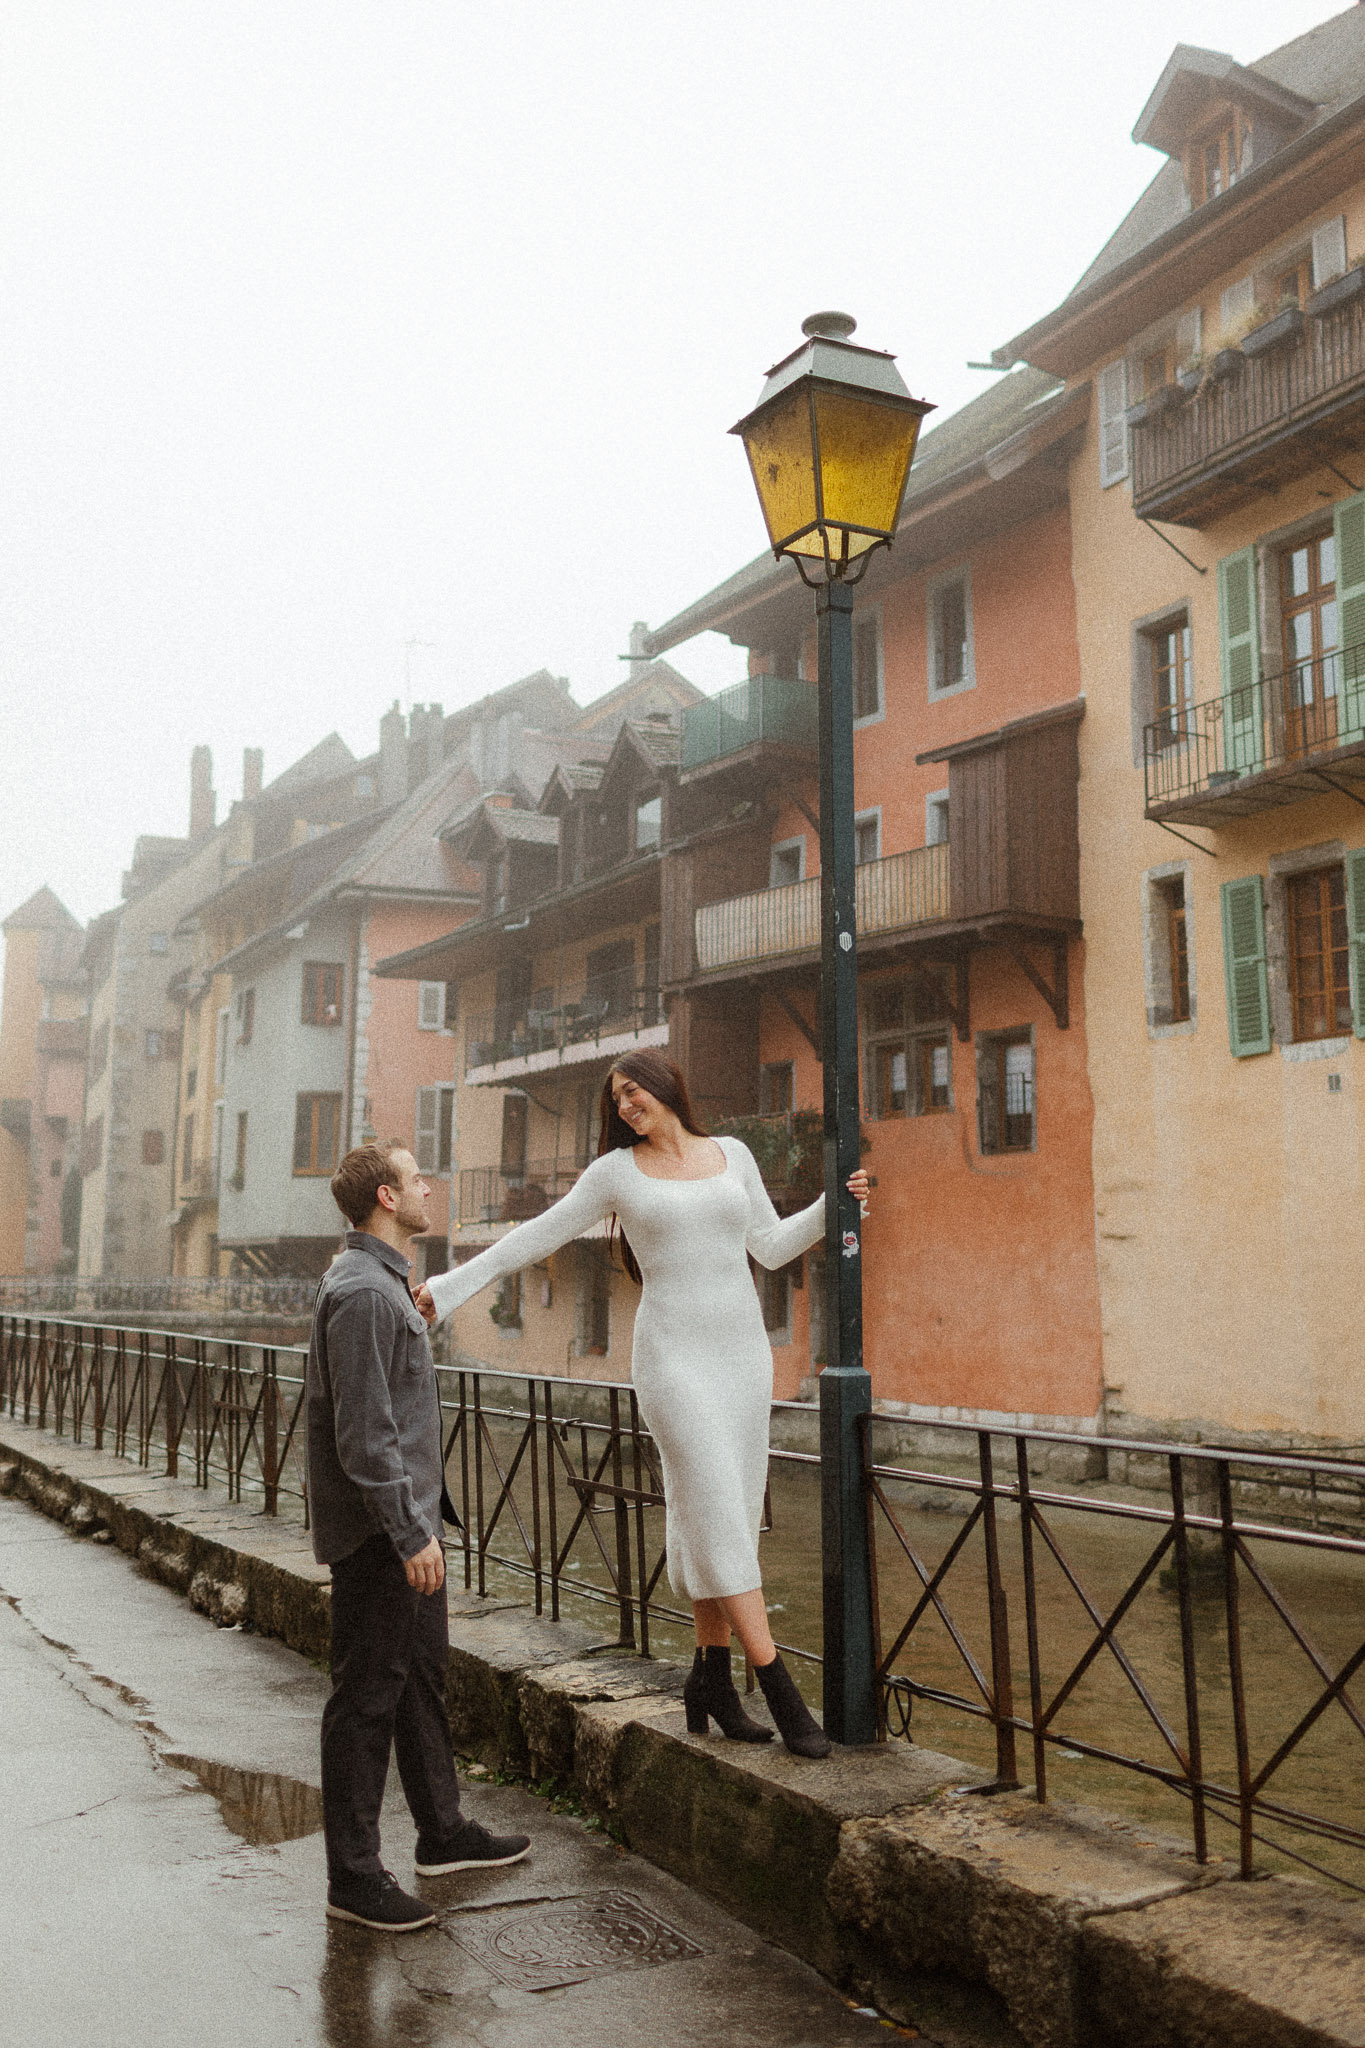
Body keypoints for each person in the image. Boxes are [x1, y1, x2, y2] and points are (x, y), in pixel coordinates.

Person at [418, 1050, 869, 1759]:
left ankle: (710, 1682)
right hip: (672, 1361)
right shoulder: (614, 1174)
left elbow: (773, 1247)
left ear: (666, 1088)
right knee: (717, 1508)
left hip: (742, 1358)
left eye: (634, 1090)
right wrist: (446, 1289)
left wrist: (835, 1204)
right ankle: (780, 1691)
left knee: (720, 1514)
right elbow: (536, 1235)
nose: (626, 1104)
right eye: (616, 1098)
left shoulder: (733, 1153)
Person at [307, 1139, 531, 1931]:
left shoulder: (382, 1282)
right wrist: (408, 1532)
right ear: (386, 1199)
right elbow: (364, 1435)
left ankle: (441, 1832)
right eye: (413, 1178)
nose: (429, 1185)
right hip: (380, 1535)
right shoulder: (365, 1292)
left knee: (419, 1676)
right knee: (366, 1696)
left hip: (404, 1521)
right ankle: (354, 1877)